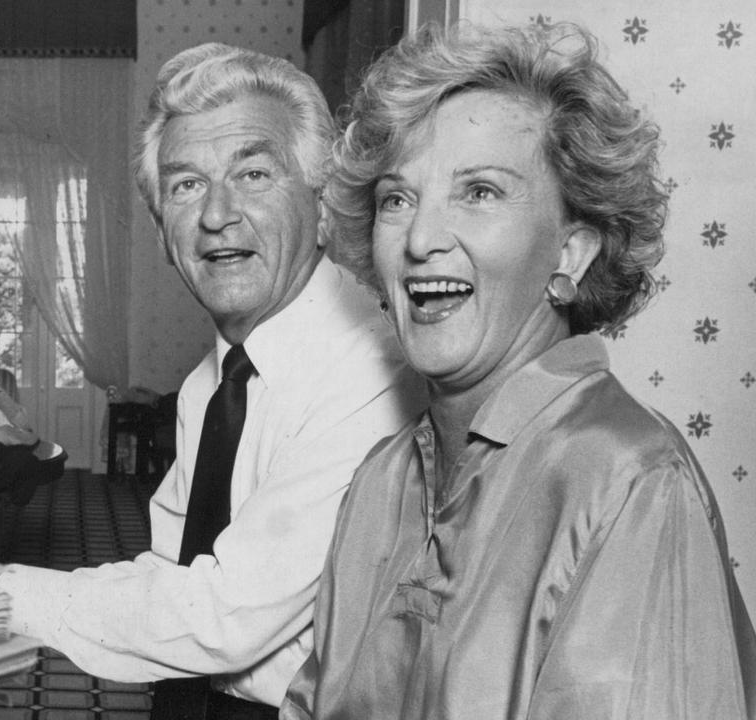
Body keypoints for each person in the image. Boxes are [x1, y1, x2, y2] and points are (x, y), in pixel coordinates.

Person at [281, 21, 756, 720]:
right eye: (397, 199)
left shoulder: (630, 481)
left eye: (479, 192)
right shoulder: (380, 481)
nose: (421, 239)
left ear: (571, 254)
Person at [0, 43, 423, 717]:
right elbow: (173, 575)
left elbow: (226, 618)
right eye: (186, 185)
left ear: (322, 205)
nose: (217, 214)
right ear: (164, 229)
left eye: (254, 173)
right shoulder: (214, 377)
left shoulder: (374, 373)